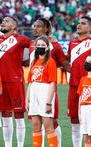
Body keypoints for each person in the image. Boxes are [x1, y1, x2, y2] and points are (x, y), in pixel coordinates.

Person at [0, 16, 31, 147]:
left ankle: (19, 145)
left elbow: (34, 45)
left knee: (18, 116)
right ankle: (8, 145)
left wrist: (27, 61)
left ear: (14, 27)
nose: (3, 22)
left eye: (6, 21)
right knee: (5, 116)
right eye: (2, 21)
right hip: (1, 83)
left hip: (15, 82)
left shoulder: (20, 39)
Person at [67, 16, 91, 147]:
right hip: (73, 86)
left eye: (83, 23)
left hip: (89, 87)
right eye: (78, 23)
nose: (79, 25)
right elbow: (67, 61)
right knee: (75, 120)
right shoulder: (71, 43)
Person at [30, 18, 70, 147]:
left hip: (48, 89)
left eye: (38, 26)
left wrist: (77, 76)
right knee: (36, 123)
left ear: (46, 29)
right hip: (34, 88)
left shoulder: (55, 46)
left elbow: (64, 63)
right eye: (34, 26)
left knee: (52, 122)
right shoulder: (32, 44)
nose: (34, 28)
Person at [26, 35, 58, 147]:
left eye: (42, 45)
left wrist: (49, 102)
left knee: (48, 125)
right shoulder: (34, 62)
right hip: (34, 93)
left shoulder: (50, 62)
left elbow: (52, 83)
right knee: (35, 124)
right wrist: (27, 100)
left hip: (45, 93)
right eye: (38, 45)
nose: (40, 47)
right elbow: (30, 82)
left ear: (47, 48)